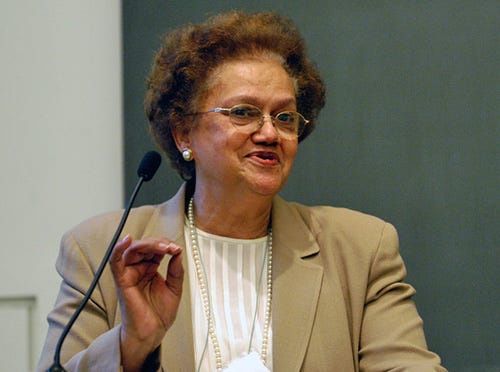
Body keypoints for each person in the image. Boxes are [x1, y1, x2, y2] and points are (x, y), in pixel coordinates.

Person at [37, 11, 446, 372]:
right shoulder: (101, 252)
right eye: (244, 112)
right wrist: (131, 346)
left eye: (284, 117)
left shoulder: (360, 249)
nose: (270, 133)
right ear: (184, 133)